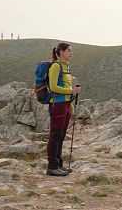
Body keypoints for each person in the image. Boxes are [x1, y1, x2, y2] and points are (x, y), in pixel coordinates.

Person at [46, 42, 81, 176]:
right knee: (55, 135)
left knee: (60, 136)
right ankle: (52, 166)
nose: (71, 53)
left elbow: (65, 87)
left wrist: (70, 105)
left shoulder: (66, 67)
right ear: (61, 52)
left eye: (71, 51)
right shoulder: (56, 66)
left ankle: (59, 164)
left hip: (65, 105)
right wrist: (71, 91)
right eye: (69, 51)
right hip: (57, 104)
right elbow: (53, 87)